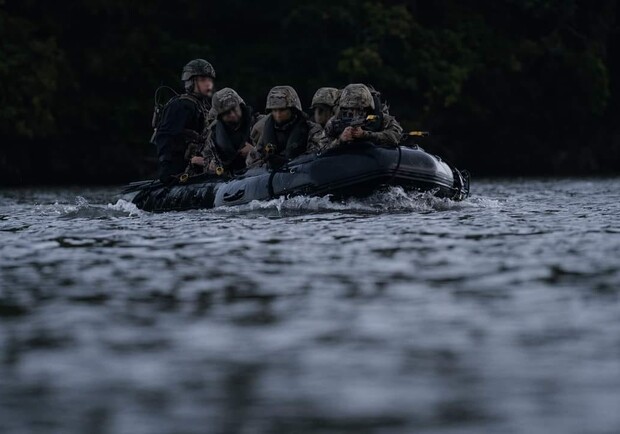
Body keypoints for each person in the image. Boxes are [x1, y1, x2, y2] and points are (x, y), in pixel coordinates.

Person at [151, 59, 215, 183]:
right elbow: (165, 137)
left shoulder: (205, 106)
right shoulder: (181, 106)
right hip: (181, 168)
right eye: (202, 80)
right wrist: (169, 169)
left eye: (209, 80)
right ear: (191, 82)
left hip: (202, 163)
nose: (208, 84)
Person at [248, 85, 322, 168]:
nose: (278, 115)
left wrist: (287, 161)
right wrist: (266, 163)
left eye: (282, 110)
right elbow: (252, 162)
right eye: (275, 110)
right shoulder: (267, 131)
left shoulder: (311, 129)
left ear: (293, 109)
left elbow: (316, 156)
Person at [190, 88, 255, 175]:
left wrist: (254, 151)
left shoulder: (257, 125)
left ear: (240, 106)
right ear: (220, 117)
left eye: (234, 109)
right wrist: (206, 163)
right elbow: (209, 161)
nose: (232, 114)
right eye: (227, 112)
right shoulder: (214, 137)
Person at [320, 83, 402, 151]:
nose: (354, 113)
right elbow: (320, 147)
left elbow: (396, 136)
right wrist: (340, 140)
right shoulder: (336, 121)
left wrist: (365, 135)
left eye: (359, 110)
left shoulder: (381, 118)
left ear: (367, 108)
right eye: (350, 110)